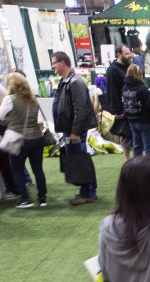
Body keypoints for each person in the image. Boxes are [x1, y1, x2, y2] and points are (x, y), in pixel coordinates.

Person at [51, 52, 98, 206]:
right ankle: (88, 189)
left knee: (79, 160)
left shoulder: (74, 82)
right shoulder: (66, 81)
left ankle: (88, 192)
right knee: (77, 159)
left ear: (63, 62)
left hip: (74, 130)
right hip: (69, 128)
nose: (53, 66)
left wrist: (75, 132)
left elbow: (81, 110)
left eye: (54, 63)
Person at [0, 72, 47, 209]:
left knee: (17, 169)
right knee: (38, 169)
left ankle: (26, 199)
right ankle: (42, 198)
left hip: (19, 139)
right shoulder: (33, 99)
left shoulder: (9, 99)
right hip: (37, 137)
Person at [122, 64, 150, 158]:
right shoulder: (142, 88)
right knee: (149, 149)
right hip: (145, 121)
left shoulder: (124, 87)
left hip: (132, 121)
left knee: (137, 147)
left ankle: (137, 169)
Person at [105, 44, 134, 160]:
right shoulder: (113, 70)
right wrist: (118, 111)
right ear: (119, 54)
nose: (130, 55)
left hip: (134, 107)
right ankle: (127, 161)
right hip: (123, 108)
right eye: (126, 53)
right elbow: (112, 91)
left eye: (130, 53)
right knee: (126, 135)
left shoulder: (129, 66)